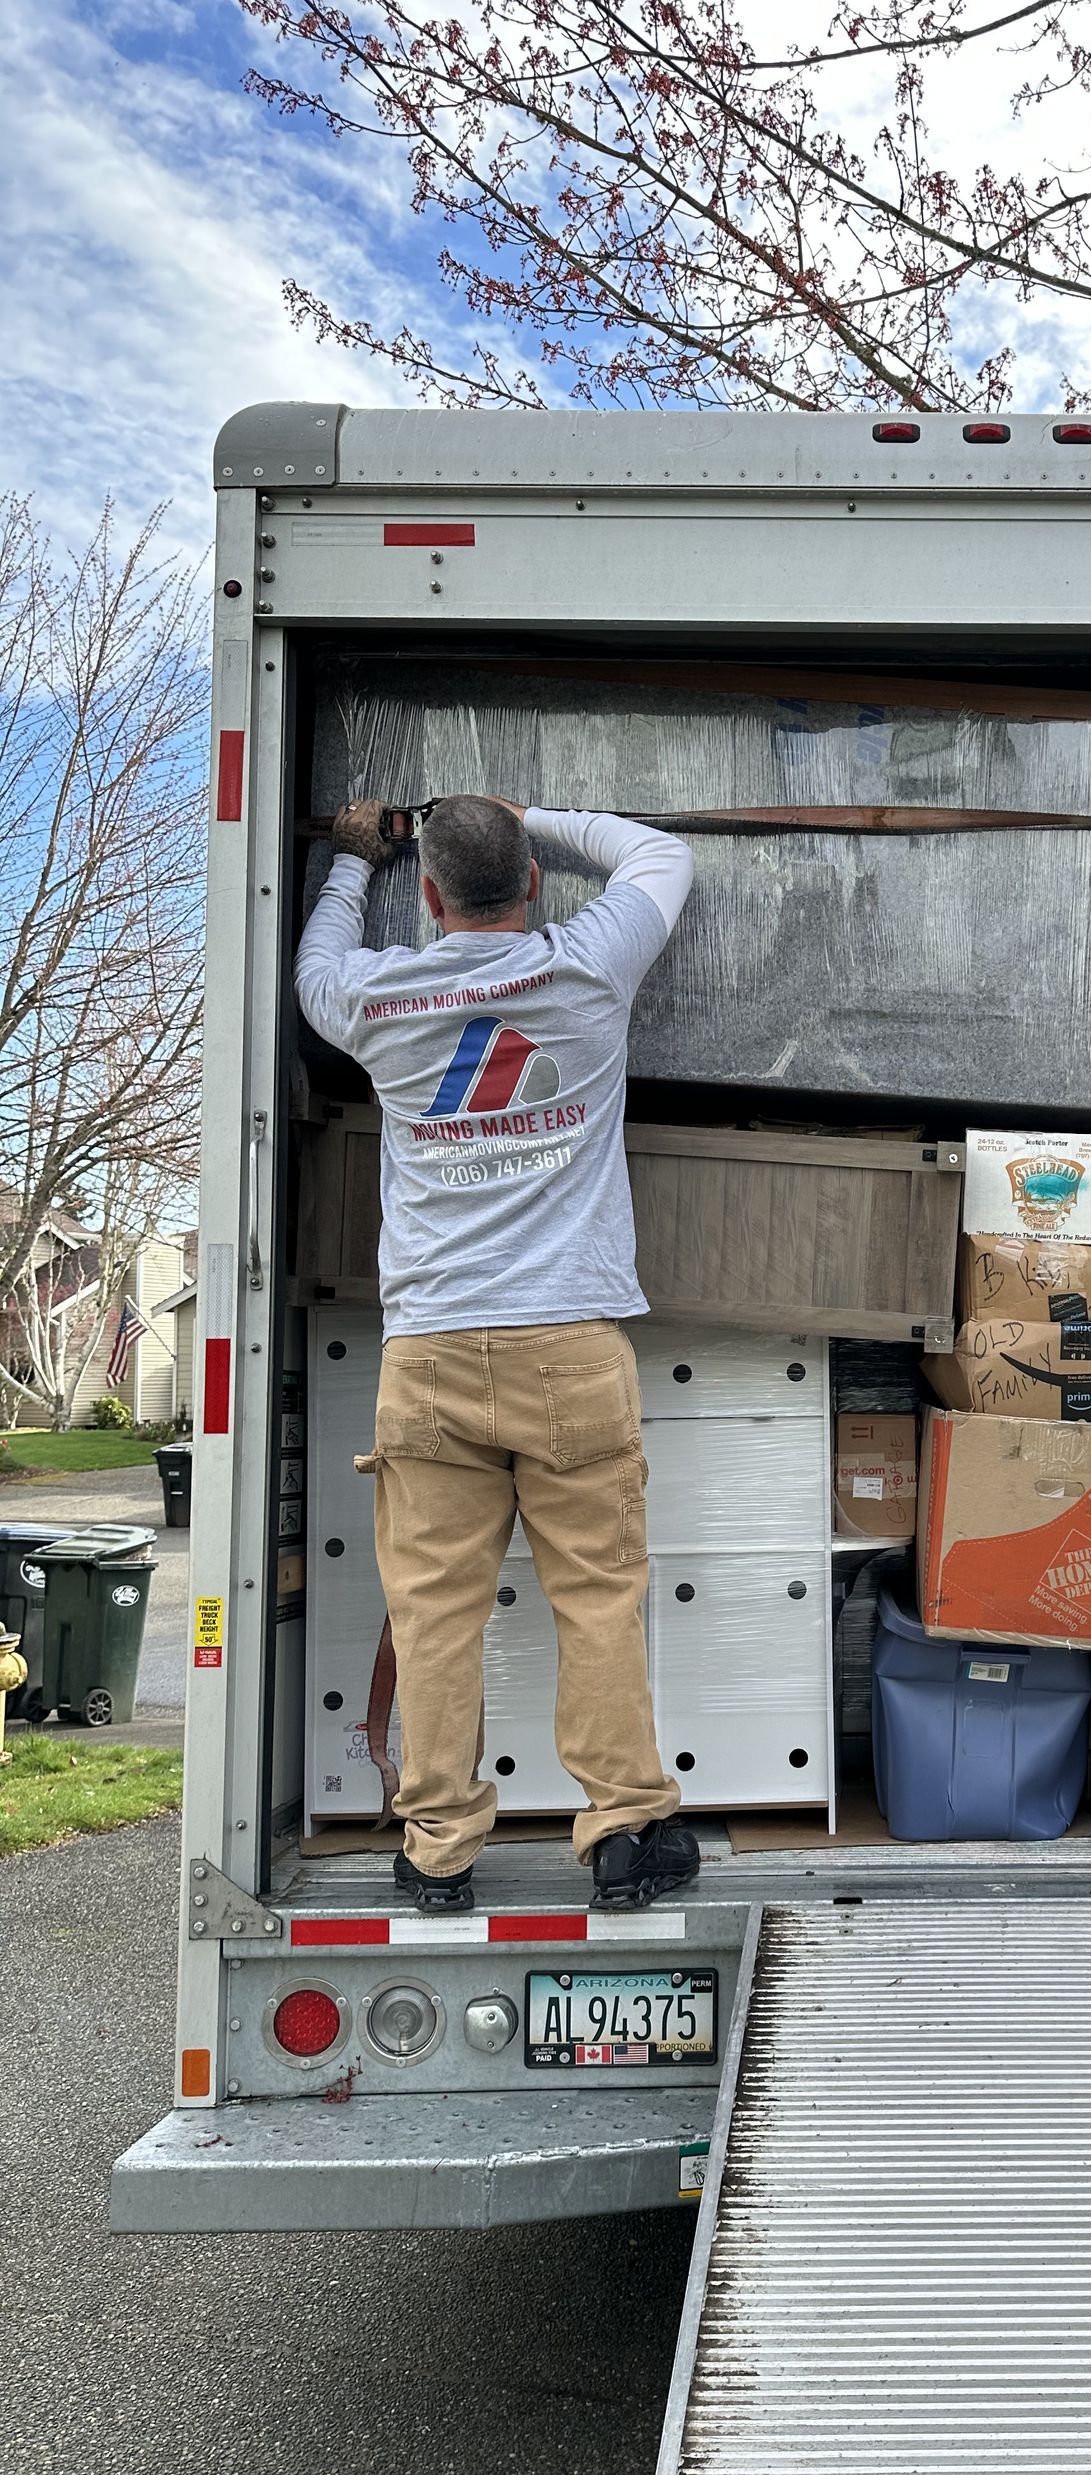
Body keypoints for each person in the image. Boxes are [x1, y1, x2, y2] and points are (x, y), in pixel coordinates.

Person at [295, 793, 699, 1914]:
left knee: (433, 1615)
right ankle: (623, 1829)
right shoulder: (588, 965)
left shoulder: (372, 995)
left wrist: (347, 864)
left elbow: (315, 959)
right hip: (570, 1345)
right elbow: (657, 855)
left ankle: (437, 1850)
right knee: (597, 1599)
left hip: (428, 1354)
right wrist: (534, 813)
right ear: (532, 883)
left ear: (426, 899)